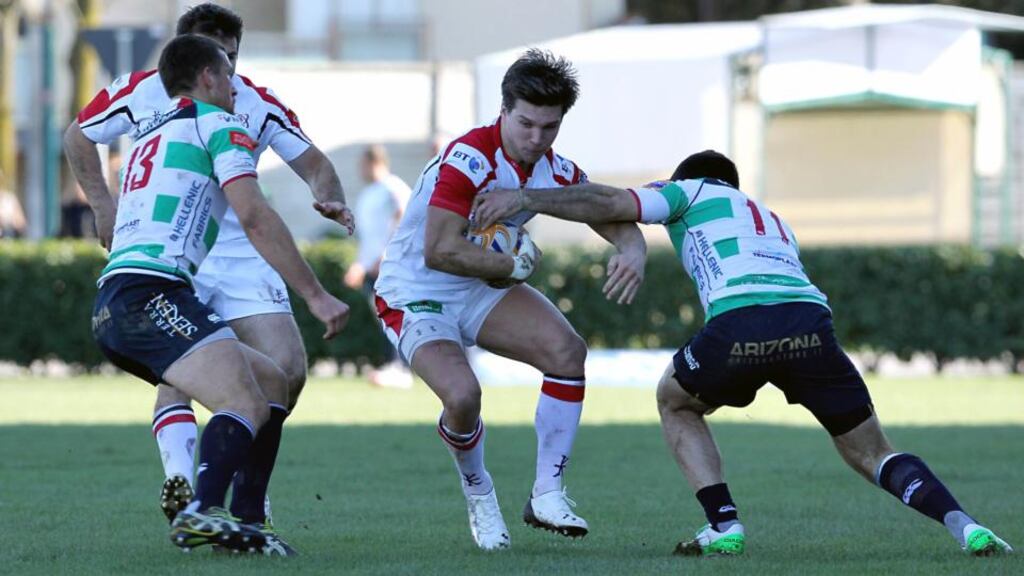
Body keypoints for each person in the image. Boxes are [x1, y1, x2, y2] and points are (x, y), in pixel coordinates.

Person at [471, 149, 1014, 557]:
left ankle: (724, 524)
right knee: (873, 452)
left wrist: (527, 198)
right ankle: (964, 525)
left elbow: (611, 201)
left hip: (741, 325)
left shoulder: (692, 192)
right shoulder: (773, 219)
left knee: (675, 402)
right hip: (809, 325)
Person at [63, 3, 352, 538]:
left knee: (275, 377)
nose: (233, 76)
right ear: (204, 70)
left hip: (150, 275)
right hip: (153, 286)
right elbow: (255, 214)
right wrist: (316, 295)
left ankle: (245, 517)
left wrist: (327, 195)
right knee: (234, 389)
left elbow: (311, 166)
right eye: (222, 64)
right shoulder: (215, 120)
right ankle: (199, 503)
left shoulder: (166, 124)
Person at [373, 49, 647, 551]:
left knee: (567, 353)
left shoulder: (549, 166)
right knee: (462, 397)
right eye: (526, 123)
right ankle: (479, 491)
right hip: (415, 293)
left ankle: (547, 493)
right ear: (503, 110)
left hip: (479, 288)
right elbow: (438, 250)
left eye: (549, 127)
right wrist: (509, 265)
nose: (536, 138)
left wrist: (633, 245)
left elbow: (598, 204)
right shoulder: (469, 158)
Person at [344, 144, 412, 387]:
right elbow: (368, 237)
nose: (360, 170)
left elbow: (404, 216)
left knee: (393, 314)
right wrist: (359, 265)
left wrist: (386, 253)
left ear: (374, 162)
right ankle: (392, 365)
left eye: (363, 164)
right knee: (383, 317)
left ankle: (400, 368)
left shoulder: (392, 187)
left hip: (390, 266)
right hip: (372, 267)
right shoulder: (368, 194)